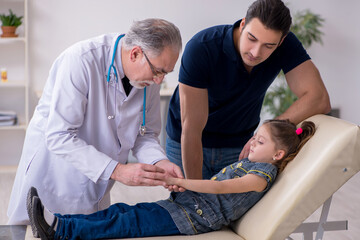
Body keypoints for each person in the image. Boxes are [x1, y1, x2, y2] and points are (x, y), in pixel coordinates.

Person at [7, 18, 184, 227]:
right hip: (54, 171)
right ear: (135, 53)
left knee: (86, 228)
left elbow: (144, 134)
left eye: (166, 73)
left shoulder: (150, 78)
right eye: (158, 71)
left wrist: (159, 163)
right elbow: (59, 136)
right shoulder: (81, 60)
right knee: (38, 229)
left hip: (95, 180)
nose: (159, 81)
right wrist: (117, 170)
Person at [28, 119, 316, 239]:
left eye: (260, 141)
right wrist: (183, 188)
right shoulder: (252, 165)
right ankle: (59, 222)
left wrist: (185, 182)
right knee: (122, 211)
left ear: (278, 154)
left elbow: (221, 187)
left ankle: (60, 231)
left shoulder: (260, 177)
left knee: (128, 222)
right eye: (254, 137)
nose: (252, 143)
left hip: (191, 219)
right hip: (185, 208)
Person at [166, 0, 331, 180]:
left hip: (238, 144)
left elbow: (319, 99)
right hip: (187, 140)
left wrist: (266, 131)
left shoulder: (286, 45)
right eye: (252, 38)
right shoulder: (202, 47)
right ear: (243, 24)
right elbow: (191, 129)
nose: (255, 52)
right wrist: (195, 191)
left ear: (281, 41)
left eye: (269, 46)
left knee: (238, 207)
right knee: (189, 203)